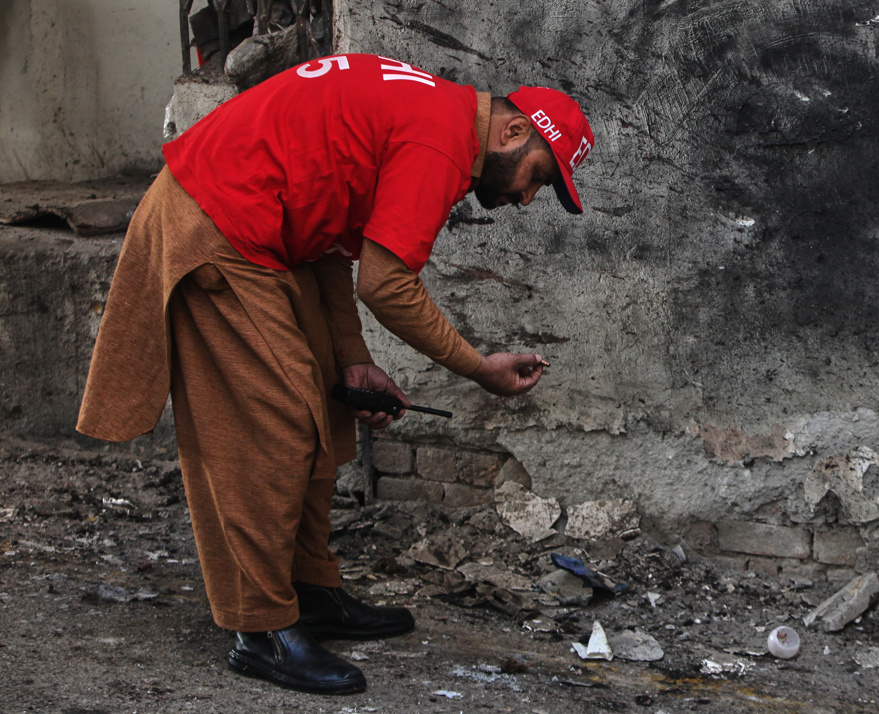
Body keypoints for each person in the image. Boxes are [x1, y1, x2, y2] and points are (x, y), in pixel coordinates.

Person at [76, 53, 595, 695]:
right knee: (272, 426)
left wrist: (351, 356)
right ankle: (261, 628)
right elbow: (387, 285)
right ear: (514, 131)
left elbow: (327, 239)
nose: (526, 197)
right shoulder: (440, 142)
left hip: (264, 232)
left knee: (327, 399)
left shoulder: (434, 115)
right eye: (538, 176)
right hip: (217, 223)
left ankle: (309, 591)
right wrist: (476, 367)